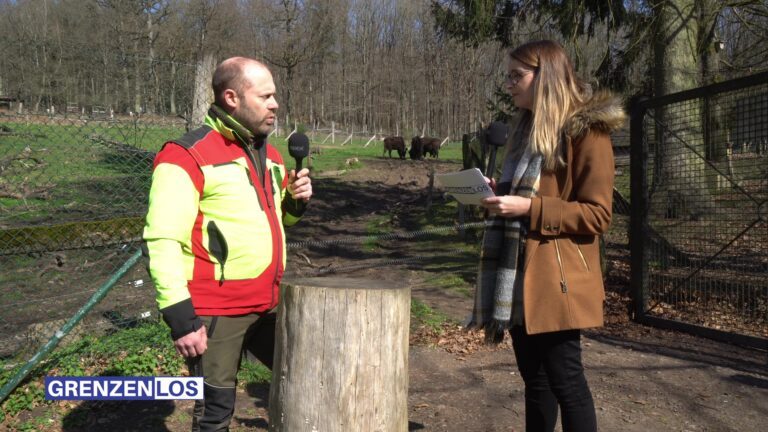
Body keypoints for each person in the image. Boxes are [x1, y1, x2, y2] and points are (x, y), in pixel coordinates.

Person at [143, 57, 312, 432]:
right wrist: (182, 319)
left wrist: (296, 202)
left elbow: (279, 221)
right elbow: (161, 239)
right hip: (215, 314)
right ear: (232, 97)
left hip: (269, 304)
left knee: (305, 378)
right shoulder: (185, 156)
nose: (275, 104)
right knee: (215, 413)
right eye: (265, 96)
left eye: (275, 95)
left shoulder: (269, 153)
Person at [470, 40, 625, 432]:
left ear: (546, 76)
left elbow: (598, 214)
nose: (508, 84)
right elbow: (526, 191)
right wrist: (495, 192)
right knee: (535, 382)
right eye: (508, 75)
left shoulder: (588, 132)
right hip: (519, 274)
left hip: (558, 281)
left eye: (516, 75)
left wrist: (529, 209)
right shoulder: (525, 132)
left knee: (567, 384)